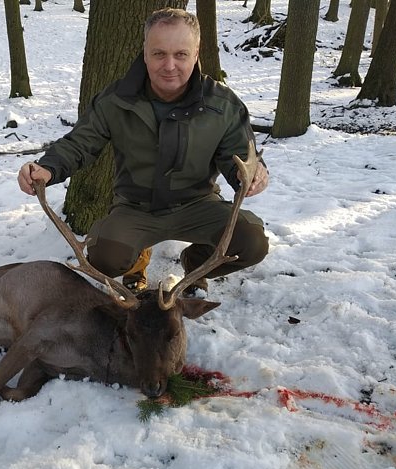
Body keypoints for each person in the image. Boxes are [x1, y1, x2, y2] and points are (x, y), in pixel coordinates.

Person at [18, 8, 269, 295]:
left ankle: (195, 262)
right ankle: (135, 265)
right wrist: (47, 168)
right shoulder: (116, 100)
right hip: (136, 208)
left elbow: (240, 156)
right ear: (145, 53)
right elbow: (79, 143)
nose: (170, 65)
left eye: (181, 54)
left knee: (251, 243)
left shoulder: (221, 105)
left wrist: (251, 176)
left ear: (196, 53)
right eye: (159, 54)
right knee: (104, 257)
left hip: (198, 205)